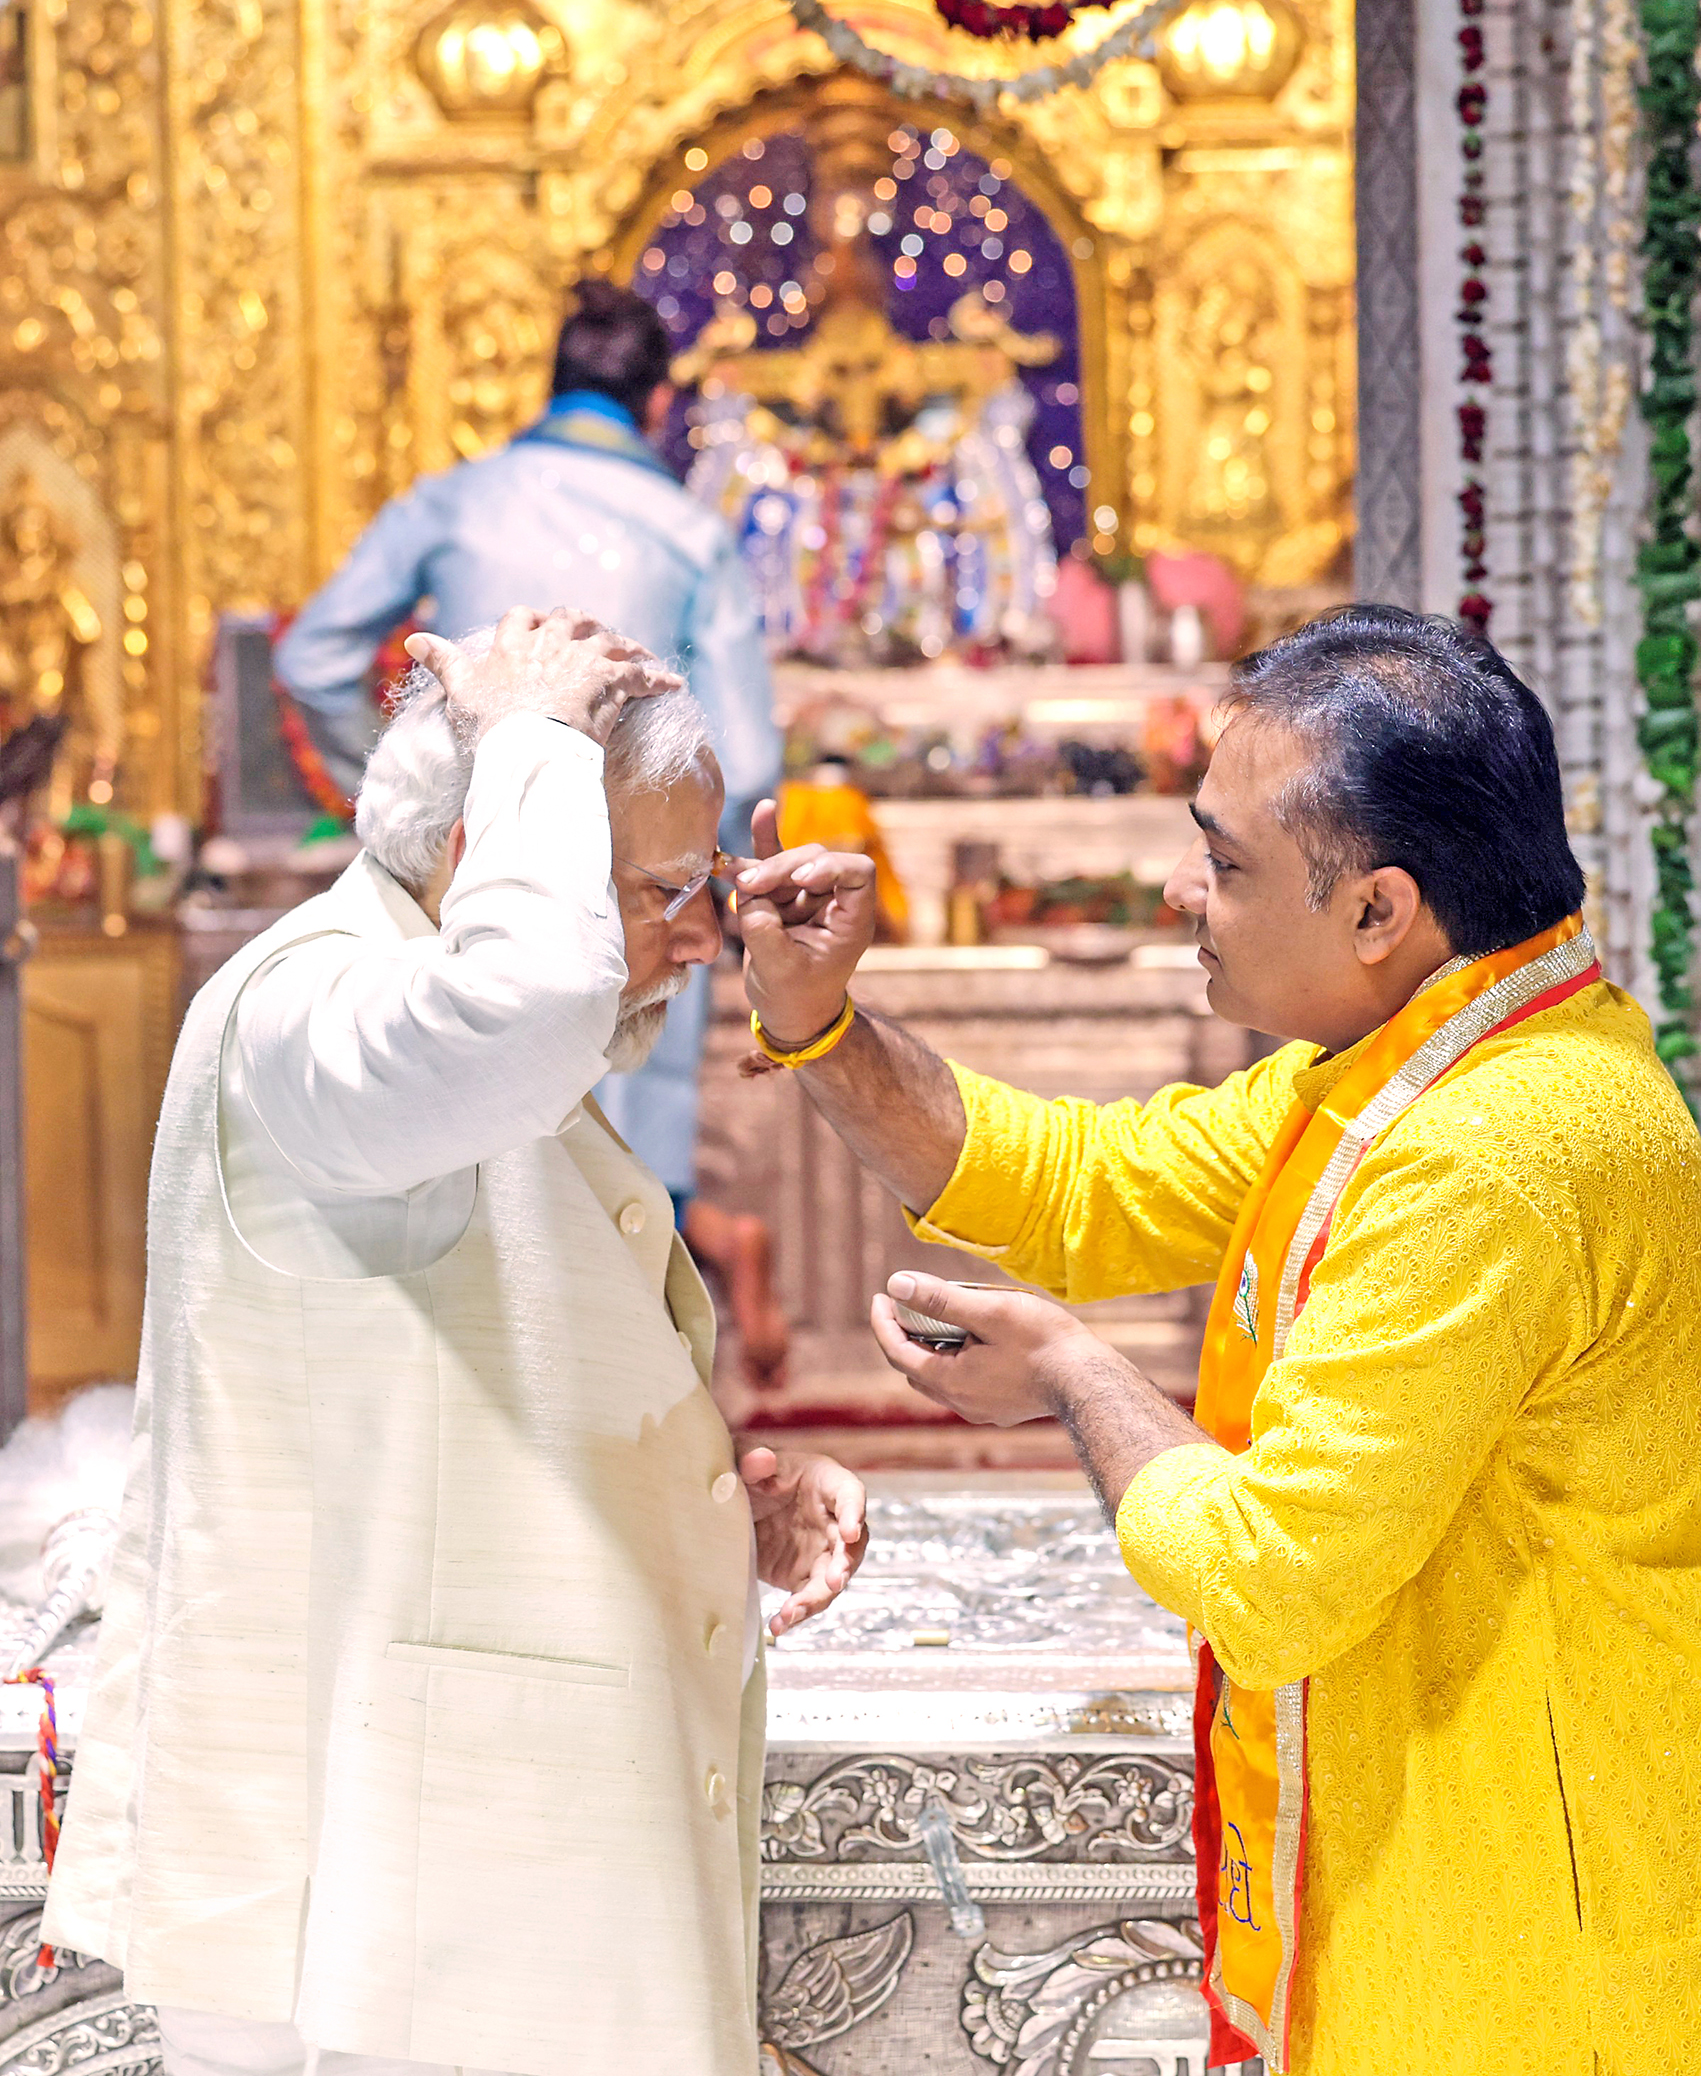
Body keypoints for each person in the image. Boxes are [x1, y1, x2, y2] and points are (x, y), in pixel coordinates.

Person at [728, 605, 1701, 2075]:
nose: (1182, 888)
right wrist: (820, 1020)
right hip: (1442, 1858)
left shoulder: (1489, 1149)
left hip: (1516, 1942)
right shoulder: (1424, 1057)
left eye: (1228, 863)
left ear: (1378, 910)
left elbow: (1269, 1578)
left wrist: (1074, 1368)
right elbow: (1076, 1183)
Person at [43, 608, 866, 2076]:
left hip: (473, 1883)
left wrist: (692, 1499)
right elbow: (525, 1005)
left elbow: (448, 1379)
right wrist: (535, 730)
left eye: (707, 882)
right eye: (662, 885)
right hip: (382, 1906)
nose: (703, 929)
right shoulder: (314, 1003)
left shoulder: (421, 1005)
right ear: (493, 850)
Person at [275, 280, 787, 1372]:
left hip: (464, 868)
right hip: (633, 888)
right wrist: (699, 875)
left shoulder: (453, 501)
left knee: (456, 1155)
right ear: (656, 403)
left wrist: (395, 794)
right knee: (622, 1185)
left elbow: (308, 656)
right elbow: (750, 749)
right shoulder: (691, 530)